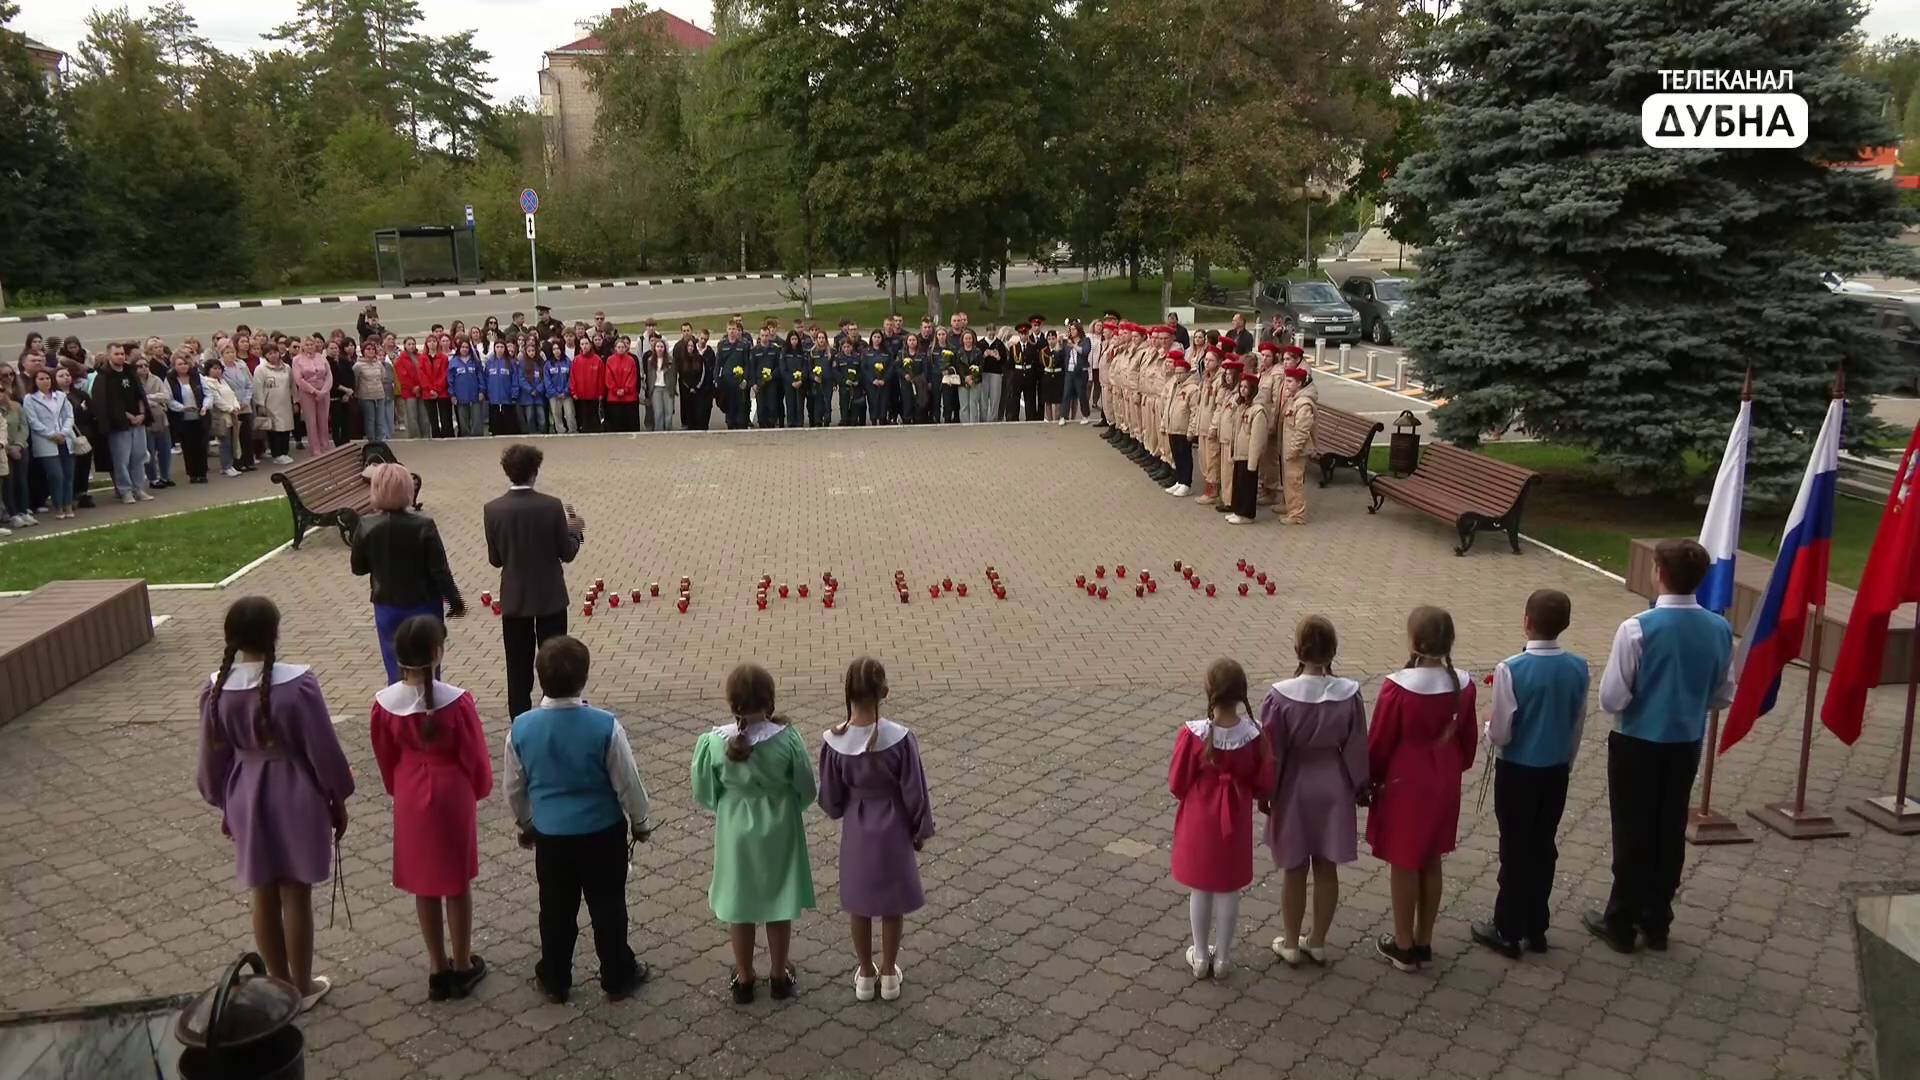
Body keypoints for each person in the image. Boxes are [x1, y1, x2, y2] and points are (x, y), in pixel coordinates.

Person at [197, 596, 355, 1014]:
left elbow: (211, 761)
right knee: (295, 893)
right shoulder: (299, 684)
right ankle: (301, 988)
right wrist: (337, 794)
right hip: (297, 792)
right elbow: (322, 749)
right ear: (274, 634)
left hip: (246, 793)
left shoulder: (215, 690)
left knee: (262, 891)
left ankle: (276, 988)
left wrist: (223, 802)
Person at [1585, 540, 1734, 954]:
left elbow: (1613, 698)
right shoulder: (1720, 628)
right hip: (1685, 741)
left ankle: (1621, 920)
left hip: (1637, 742)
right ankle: (1657, 919)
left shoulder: (1637, 628)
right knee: (1669, 831)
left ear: (1660, 574)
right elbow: (1722, 694)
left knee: (1633, 830)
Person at [505, 635, 654, 1002]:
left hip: (552, 836)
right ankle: (617, 973)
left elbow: (513, 786)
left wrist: (526, 824)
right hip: (602, 833)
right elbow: (627, 781)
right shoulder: (605, 726)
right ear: (584, 678)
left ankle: (555, 977)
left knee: (555, 910)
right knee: (608, 906)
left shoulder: (521, 728)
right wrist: (639, 820)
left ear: (539, 678)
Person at [369, 616, 492, 1001]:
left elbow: (384, 756)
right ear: (438, 652)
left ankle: (436, 966)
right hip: (452, 792)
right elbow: (474, 755)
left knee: (424, 884)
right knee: (457, 882)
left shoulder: (385, 706)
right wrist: (480, 787)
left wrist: (397, 788)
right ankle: (462, 962)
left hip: (410, 793)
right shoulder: (457, 703)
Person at [1469, 589, 1587, 959]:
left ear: (1526, 621)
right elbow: (1577, 722)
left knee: (1514, 847)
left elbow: (1503, 729)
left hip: (1518, 770)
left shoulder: (1511, 669)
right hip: (1555, 769)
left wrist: (1487, 728)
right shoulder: (1579, 667)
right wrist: (1567, 759)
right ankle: (1536, 925)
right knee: (1542, 845)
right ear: (1565, 625)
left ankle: (1507, 926)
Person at [691, 663, 818, 1004]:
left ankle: (744, 978)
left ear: (731, 702)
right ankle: (779, 974)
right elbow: (807, 786)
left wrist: (725, 804)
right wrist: (793, 805)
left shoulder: (714, 743)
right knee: (779, 901)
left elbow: (704, 790)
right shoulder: (788, 739)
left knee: (740, 903)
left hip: (735, 829)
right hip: (779, 826)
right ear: (770, 700)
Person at [817, 657, 935, 1002]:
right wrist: (919, 828)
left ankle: (865, 973)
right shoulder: (900, 739)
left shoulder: (834, 742)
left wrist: (843, 806)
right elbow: (915, 789)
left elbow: (831, 799)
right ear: (884, 692)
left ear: (847, 691)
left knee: (860, 902)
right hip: (894, 826)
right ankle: (889, 971)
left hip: (857, 827)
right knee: (892, 902)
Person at [1367, 606, 1477, 973]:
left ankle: (1402, 943)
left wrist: (1372, 778)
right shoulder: (1463, 684)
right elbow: (1469, 740)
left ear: (1414, 641)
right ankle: (1425, 938)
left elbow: (1380, 741)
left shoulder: (1398, 687)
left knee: (1404, 860)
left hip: (1407, 779)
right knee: (1431, 857)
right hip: (1444, 776)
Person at [1261, 615, 1367, 966]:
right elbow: (1356, 747)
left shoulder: (1279, 697)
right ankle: (1318, 939)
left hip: (1295, 783)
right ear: (1334, 651)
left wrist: (1267, 791)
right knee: (1326, 865)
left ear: (1297, 650)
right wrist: (1359, 785)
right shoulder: (1349, 694)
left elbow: (1272, 753)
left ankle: (1290, 941)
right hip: (1334, 782)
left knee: (1294, 867)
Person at [1168, 658, 1273, 980]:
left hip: (1200, 819)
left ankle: (1200, 956)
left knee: (1201, 888)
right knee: (1228, 888)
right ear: (1241, 694)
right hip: (1235, 820)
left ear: (1209, 691)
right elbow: (1264, 783)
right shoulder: (1255, 735)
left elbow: (1176, 782)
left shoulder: (1194, 735)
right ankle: (1224, 957)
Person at [484, 444, 584, 719]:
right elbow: (567, 552)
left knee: (517, 666)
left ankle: (520, 720)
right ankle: (555, 714)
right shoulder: (551, 505)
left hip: (515, 597)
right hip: (550, 595)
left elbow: (496, 559)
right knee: (556, 662)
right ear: (535, 471)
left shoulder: (492, 509)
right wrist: (576, 532)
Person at [351, 463, 462, 682]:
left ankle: (400, 711)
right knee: (428, 662)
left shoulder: (366, 525)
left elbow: (358, 568)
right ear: (408, 490)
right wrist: (455, 601)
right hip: (424, 603)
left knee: (395, 665)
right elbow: (440, 571)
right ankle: (430, 707)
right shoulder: (424, 525)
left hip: (387, 604)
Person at [95, 342, 154, 503]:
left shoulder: (130, 372)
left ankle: (139, 488)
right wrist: (128, 416)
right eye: (116, 354)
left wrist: (142, 413)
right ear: (109, 356)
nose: (120, 357)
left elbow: (139, 394)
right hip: (119, 425)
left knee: (139, 456)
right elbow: (110, 403)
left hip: (138, 422)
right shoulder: (104, 377)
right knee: (122, 460)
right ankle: (125, 490)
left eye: (122, 354)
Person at [25, 367, 79, 519]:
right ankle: (58, 506)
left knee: (68, 475)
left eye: (47, 378)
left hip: (65, 439)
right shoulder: (30, 398)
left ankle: (68, 504)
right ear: (35, 381)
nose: (45, 381)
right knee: (56, 475)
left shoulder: (60, 396)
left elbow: (69, 415)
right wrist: (51, 435)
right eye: (41, 379)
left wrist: (63, 432)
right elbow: (33, 421)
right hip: (46, 441)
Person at [1224, 370, 1267, 524]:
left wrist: (1253, 461)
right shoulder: (1242, 406)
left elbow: (1257, 438)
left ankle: (1246, 513)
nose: (1242, 390)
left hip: (1248, 454)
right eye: (1241, 387)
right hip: (1239, 452)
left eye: (1246, 387)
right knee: (1238, 484)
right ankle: (1237, 510)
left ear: (1253, 389)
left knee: (1247, 485)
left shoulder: (1258, 410)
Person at [164, 353, 212, 485]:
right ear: (174, 366)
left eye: (185, 363)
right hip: (183, 419)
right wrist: (183, 408)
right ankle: (192, 473)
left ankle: (202, 473)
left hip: (199, 417)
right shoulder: (170, 380)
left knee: (201, 445)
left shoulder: (197, 376)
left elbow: (208, 393)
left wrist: (205, 406)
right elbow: (169, 399)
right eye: (180, 364)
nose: (183, 366)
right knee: (188, 447)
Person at [1161, 350, 1198, 497]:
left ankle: (1186, 482)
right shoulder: (1175, 386)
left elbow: (1194, 412)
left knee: (1185, 456)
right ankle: (1179, 479)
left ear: (1188, 373)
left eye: (1181, 373)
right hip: (1173, 427)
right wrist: (1165, 424)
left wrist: (1191, 430)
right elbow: (1168, 406)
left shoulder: (1192, 389)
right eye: (1176, 373)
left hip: (1183, 429)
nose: (1178, 376)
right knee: (1176, 455)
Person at [254, 345, 298, 464]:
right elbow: (258, 388)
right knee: (275, 430)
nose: (273, 355)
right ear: (265, 356)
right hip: (270, 404)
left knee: (286, 428)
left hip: (285, 403)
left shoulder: (287, 368)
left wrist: (295, 401)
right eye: (270, 353)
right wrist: (261, 404)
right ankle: (277, 454)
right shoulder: (261, 369)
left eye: (275, 352)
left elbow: (292, 385)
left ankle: (285, 452)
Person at [292, 339, 335, 456]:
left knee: (323, 420)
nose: (310, 346)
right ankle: (315, 449)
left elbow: (329, 375)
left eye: (311, 344)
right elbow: (298, 379)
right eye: (307, 344)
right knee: (311, 421)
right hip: (307, 393)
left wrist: (324, 391)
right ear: (303, 346)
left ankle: (325, 446)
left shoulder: (321, 357)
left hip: (323, 392)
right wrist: (314, 391)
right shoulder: (297, 360)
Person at [139, 353, 175, 488]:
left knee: (165, 449)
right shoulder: (135, 381)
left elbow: (166, 396)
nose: (143, 368)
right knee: (150, 450)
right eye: (140, 366)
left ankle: (165, 476)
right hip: (147, 421)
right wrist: (153, 400)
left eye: (146, 365)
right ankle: (153, 478)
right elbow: (138, 398)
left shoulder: (156, 379)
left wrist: (149, 397)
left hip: (161, 418)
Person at [203, 359, 244, 477]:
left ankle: (230, 464)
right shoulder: (208, 382)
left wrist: (236, 406)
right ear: (208, 370)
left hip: (232, 415)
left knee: (232, 441)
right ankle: (226, 466)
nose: (217, 371)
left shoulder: (223, 381)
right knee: (225, 442)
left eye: (219, 368)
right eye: (214, 368)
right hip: (221, 417)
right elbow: (217, 400)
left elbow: (232, 395)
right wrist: (230, 408)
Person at [352, 342, 394, 442]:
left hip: (379, 394)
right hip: (366, 396)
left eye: (372, 349)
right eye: (368, 349)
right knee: (370, 420)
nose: (371, 351)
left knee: (380, 420)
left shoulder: (378, 364)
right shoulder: (358, 365)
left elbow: (383, 377)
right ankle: (372, 441)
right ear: (363, 351)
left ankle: (380, 441)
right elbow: (355, 381)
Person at [604, 336, 640, 432]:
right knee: (616, 424)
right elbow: (608, 377)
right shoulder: (610, 360)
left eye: (622, 347)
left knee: (629, 425)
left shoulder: (631, 360)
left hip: (629, 397)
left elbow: (632, 377)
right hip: (614, 398)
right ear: (615, 348)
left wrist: (625, 390)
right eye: (619, 347)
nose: (621, 349)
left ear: (626, 348)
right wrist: (615, 390)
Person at [570, 335, 604, 434]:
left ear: (590, 345)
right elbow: (572, 378)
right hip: (581, 395)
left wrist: (601, 393)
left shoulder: (597, 360)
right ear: (580, 346)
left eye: (586, 344)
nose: (584, 346)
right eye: (582, 344)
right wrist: (573, 392)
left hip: (594, 395)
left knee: (594, 415)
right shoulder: (576, 360)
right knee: (583, 416)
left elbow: (601, 378)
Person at [482, 341, 517, 437]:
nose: (500, 349)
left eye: (502, 346)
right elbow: (485, 378)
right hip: (493, 398)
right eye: (497, 347)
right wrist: (486, 393)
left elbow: (515, 379)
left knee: (508, 425)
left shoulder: (510, 362)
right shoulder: (489, 363)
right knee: (495, 425)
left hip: (507, 397)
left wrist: (514, 394)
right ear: (494, 348)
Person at [644, 336, 676, 432]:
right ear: (654, 348)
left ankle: (668, 431)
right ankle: (659, 433)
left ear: (664, 348)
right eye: (657, 346)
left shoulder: (670, 360)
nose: (660, 348)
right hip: (656, 388)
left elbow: (674, 375)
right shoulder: (650, 361)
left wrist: (673, 389)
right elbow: (649, 376)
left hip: (667, 388)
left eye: (661, 346)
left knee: (669, 413)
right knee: (658, 413)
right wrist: (650, 389)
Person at [517, 347, 548, 435]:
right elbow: (521, 379)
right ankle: (532, 433)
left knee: (541, 416)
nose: (531, 353)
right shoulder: (522, 364)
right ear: (526, 352)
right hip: (527, 395)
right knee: (530, 416)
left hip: (539, 395)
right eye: (529, 351)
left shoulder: (541, 363)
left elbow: (544, 379)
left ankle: (542, 432)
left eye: (533, 350)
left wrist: (538, 389)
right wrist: (530, 390)